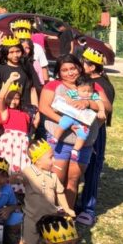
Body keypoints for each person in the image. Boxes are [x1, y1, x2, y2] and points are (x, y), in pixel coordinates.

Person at [39, 54, 106, 208]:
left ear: (79, 68)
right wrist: (67, 124)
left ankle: (68, 215)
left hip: (83, 144)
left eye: (73, 68)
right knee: (56, 180)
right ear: (58, 72)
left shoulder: (90, 84)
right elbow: (44, 107)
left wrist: (87, 102)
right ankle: (52, 213)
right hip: (60, 142)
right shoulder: (54, 85)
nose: (70, 73)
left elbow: (106, 106)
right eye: (65, 70)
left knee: (73, 181)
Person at [13, 139, 75, 244]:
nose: (54, 161)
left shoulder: (53, 176)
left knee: (47, 240)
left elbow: (60, 193)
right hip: (31, 216)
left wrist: (67, 208)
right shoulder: (29, 172)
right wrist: (16, 178)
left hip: (50, 217)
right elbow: (19, 179)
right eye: (50, 157)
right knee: (26, 239)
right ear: (37, 160)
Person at [77, 48, 115, 226]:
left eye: (84, 62)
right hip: (83, 127)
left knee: (93, 168)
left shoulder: (100, 85)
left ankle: (88, 209)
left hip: (95, 130)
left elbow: (106, 109)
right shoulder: (90, 81)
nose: (81, 64)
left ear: (92, 67)